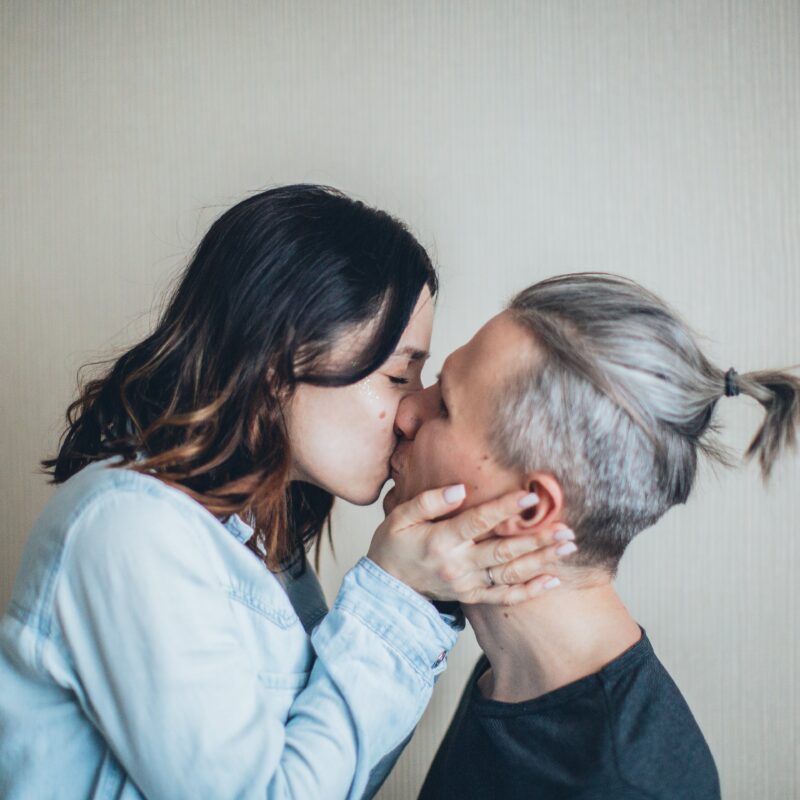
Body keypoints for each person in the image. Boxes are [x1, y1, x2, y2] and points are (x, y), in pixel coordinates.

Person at [0, 185, 574, 800]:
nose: (411, 410)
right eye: (397, 374)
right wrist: (397, 601)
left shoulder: (262, 540)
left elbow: (332, 776)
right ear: (279, 357)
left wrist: (428, 598)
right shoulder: (130, 532)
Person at [382, 273, 799, 800]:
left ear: (531, 507)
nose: (406, 413)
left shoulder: (625, 785)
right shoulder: (510, 672)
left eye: (444, 406)